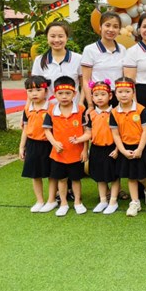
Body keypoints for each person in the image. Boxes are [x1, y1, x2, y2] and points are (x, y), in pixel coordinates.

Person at [42, 76, 90, 217]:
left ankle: (78, 202)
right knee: (61, 179)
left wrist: (85, 149)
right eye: (60, 93)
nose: (64, 97)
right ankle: (63, 203)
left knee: (76, 179)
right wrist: (54, 143)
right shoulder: (51, 110)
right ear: (55, 94)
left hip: (76, 153)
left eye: (68, 93)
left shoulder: (81, 109)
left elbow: (87, 131)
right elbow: (47, 130)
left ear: (74, 94)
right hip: (59, 154)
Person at [109, 77, 146, 217]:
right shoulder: (114, 112)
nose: (124, 95)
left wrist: (140, 149)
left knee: (141, 176)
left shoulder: (141, 109)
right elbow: (115, 134)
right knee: (131, 176)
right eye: (120, 91)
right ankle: (135, 202)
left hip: (141, 146)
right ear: (115, 93)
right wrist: (123, 150)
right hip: (125, 147)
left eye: (127, 91)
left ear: (133, 92)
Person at [18, 76, 52, 213]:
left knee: (51, 173)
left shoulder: (52, 108)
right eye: (30, 90)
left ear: (46, 91)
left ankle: (51, 200)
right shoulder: (27, 109)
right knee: (35, 174)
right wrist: (22, 146)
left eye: (38, 90)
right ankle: (39, 200)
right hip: (32, 144)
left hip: (49, 144)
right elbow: (25, 129)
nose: (34, 93)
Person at [86, 79, 120, 215]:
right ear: (92, 97)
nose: (99, 98)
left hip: (112, 148)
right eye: (96, 95)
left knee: (114, 176)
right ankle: (103, 200)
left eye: (103, 94)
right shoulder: (91, 114)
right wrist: (78, 140)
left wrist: (117, 149)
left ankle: (113, 201)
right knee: (99, 176)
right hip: (96, 148)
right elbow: (88, 133)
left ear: (110, 96)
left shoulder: (116, 112)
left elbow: (120, 134)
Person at [81, 11, 126, 109]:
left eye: (115, 26)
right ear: (100, 27)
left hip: (118, 98)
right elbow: (86, 80)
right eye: (107, 25)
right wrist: (90, 104)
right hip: (98, 97)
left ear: (119, 30)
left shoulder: (122, 49)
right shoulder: (90, 50)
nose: (111, 29)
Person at [31, 21, 82, 104]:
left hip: (73, 108)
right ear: (47, 37)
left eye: (60, 36)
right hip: (48, 109)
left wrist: (82, 103)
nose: (57, 40)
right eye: (52, 36)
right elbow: (34, 87)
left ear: (67, 37)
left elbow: (84, 85)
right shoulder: (39, 60)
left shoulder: (78, 59)